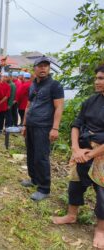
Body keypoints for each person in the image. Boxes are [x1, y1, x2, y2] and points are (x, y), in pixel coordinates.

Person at [52, 65, 104, 249]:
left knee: (102, 192)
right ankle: (71, 215)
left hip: (101, 155)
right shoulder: (90, 101)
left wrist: (92, 153)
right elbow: (76, 124)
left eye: (102, 78)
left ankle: (100, 230)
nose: (97, 82)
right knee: (75, 184)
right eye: (97, 78)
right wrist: (75, 149)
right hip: (82, 150)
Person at [21, 56, 64, 201]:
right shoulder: (33, 85)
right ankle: (34, 179)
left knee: (41, 157)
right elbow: (28, 106)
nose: (43, 68)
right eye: (40, 66)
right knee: (31, 154)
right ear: (35, 68)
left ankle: (44, 188)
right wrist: (25, 125)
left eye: (46, 66)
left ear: (49, 68)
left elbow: (59, 108)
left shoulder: (55, 85)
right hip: (31, 125)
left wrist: (55, 128)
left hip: (44, 127)